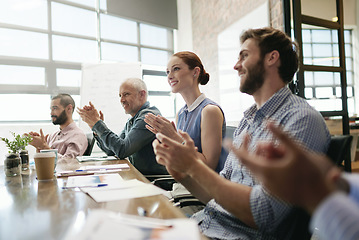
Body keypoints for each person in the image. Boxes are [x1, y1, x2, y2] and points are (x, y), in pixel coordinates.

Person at [152, 27, 331, 239]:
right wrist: (182, 173)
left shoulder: (301, 120)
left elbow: (266, 215)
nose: (236, 66)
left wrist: (193, 166)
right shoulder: (249, 120)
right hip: (204, 223)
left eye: (244, 56)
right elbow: (216, 195)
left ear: (272, 58)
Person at [229, 122, 359, 240]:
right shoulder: (247, 121)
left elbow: (263, 216)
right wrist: (340, 184)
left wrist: (317, 194)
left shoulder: (304, 118)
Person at [145, 51, 227, 173]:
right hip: (184, 181)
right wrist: (168, 139)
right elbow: (181, 157)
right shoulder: (181, 113)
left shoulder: (209, 111)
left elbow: (209, 166)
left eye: (176, 69)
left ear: (195, 72)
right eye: (167, 72)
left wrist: (173, 136)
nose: (169, 76)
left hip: (205, 188)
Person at [77, 78, 167, 175]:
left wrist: (97, 123)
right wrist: (94, 127)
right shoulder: (132, 120)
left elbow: (122, 150)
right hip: (139, 178)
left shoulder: (148, 117)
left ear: (142, 94)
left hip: (153, 181)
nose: (122, 100)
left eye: (126, 94)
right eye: (120, 96)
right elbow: (112, 151)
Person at [27, 93, 88, 159]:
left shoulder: (78, 136)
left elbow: (69, 163)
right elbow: (45, 160)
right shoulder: (52, 136)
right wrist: (39, 147)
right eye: (51, 109)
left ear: (69, 108)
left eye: (55, 108)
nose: (51, 113)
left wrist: (44, 147)